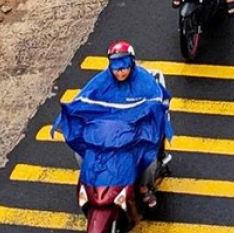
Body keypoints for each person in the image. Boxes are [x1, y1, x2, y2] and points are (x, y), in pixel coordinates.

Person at [57, 43, 172, 211]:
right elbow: (82, 100)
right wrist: (65, 119)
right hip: (108, 134)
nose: (120, 72)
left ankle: (143, 187)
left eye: (124, 68)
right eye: (116, 68)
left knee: (148, 159)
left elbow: (156, 102)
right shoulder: (102, 80)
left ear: (131, 63)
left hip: (135, 134)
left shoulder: (145, 81)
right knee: (82, 153)